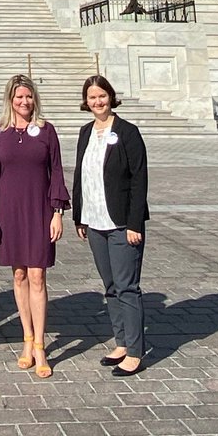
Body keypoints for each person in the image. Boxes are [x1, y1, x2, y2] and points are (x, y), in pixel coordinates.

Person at [0, 74, 69, 378]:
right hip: (9, 210)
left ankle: (40, 345)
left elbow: (57, 169)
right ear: (10, 100)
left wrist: (58, 211)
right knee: (19, 273)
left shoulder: (46, 131)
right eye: (19, 97)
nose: (24, 102)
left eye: (29, 97)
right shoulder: (0, 132)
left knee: (38, 275)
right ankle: (26, 338)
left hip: (39, 208)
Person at [72, 74, 149, 378]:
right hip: (94, 221)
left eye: (101, 96)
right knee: (111, 287)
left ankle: (135, 351)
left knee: (127, 286)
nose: (97, 102)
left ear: (110, 97)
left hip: (121, 223)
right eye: (91, 97)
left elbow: (139, 179)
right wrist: (79, 215)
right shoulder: (85, 132)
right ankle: (121, 342)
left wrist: (134, 223)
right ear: (86, 101)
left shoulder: (128, 132)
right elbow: (81, 174)